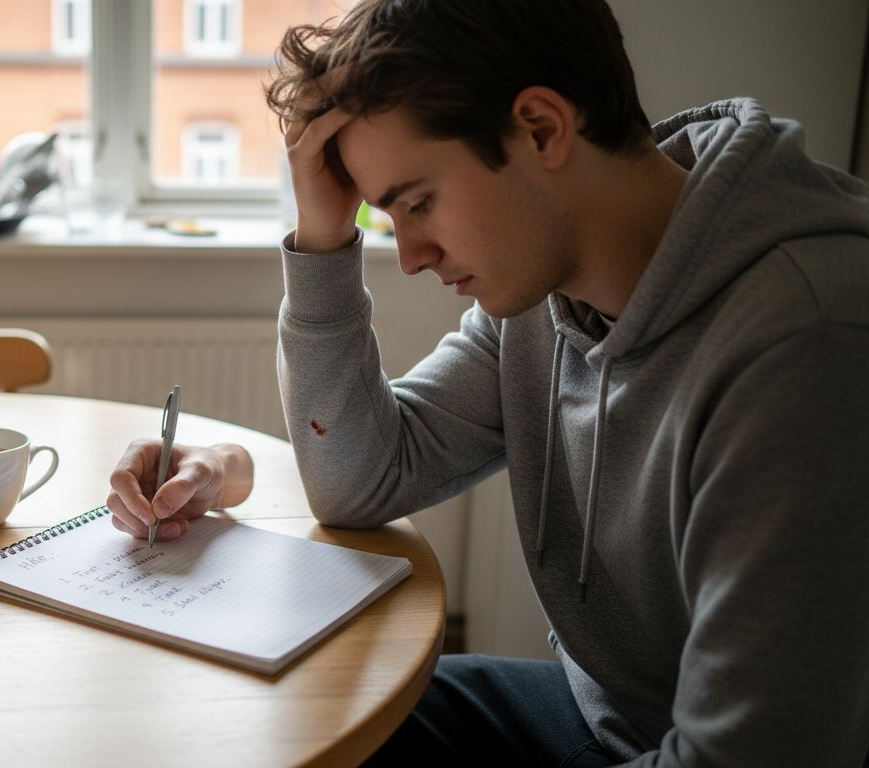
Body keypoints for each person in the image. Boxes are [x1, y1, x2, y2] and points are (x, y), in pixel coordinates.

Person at [107, 0, 869, 764]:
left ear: (540, 129)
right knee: (300, 723)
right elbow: (360, 478)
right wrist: (322, 237)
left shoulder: (807, 344)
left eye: (418, 203)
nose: (410, 256)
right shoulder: (549, 291)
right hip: (604, 719)